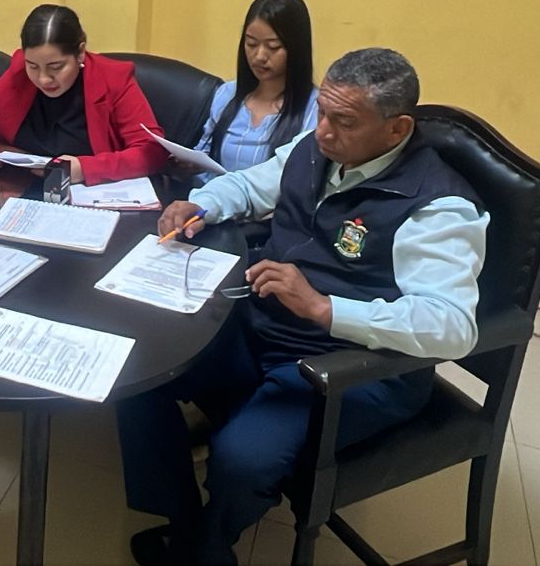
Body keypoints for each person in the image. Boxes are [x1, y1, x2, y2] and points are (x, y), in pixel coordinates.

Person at [118, 48, 489, 566]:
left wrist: (323, 307)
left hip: (347, 366)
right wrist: (203, 204)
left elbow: (452, 327)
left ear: (397, 129)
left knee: (242, 459)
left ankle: (207, 549)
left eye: (344, 122)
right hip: (267, 327)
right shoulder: (315, 147)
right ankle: (184, 522)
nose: (324, 132)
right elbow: (251, 184)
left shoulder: (437, 208)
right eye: (322, 113)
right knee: (137, 369)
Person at [0, 4, 167, 185]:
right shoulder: (20, 73)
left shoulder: (113, 80)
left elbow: (151, 152)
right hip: (19, 187)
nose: (43, 79)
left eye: (56, 67)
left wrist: (84, 168)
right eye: (33, 66)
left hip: (86, 197)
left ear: (80, 53)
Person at [188, 0, 319, 184]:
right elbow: (203, 155)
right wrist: (187, 167)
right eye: (251, 44)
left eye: (273, 47)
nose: (259, 56)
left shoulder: (315, 109)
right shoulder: (228, 94)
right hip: (212, 200)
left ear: (296, 48)